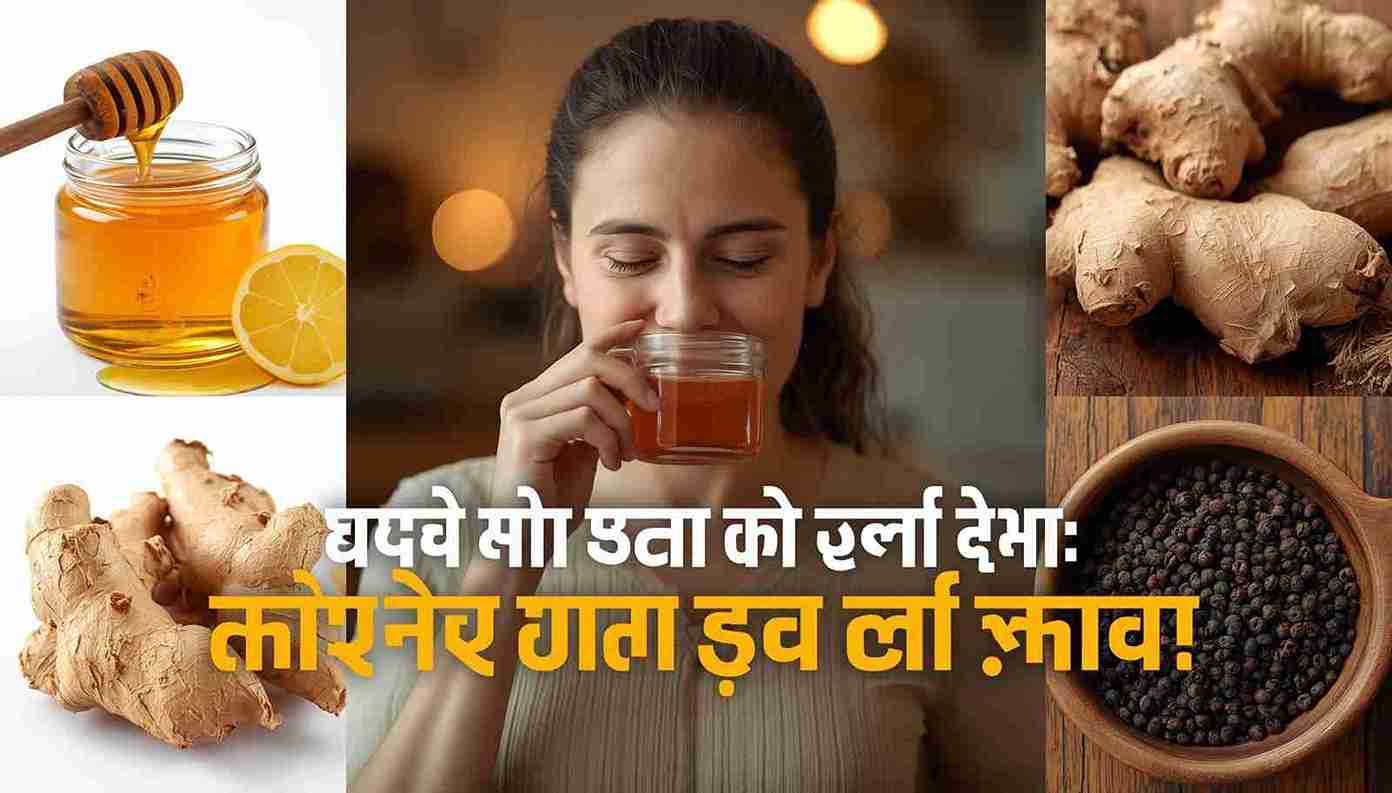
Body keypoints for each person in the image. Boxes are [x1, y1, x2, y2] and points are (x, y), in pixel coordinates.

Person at [350, 18, 957, 793]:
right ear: (569, 264)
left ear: (818, 262)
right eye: (632, 258)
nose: (684, 309)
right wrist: (508, 558)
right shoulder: (431, 522)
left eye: (743, 258)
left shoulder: (932, 545)